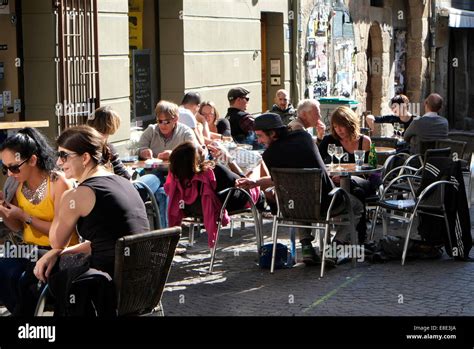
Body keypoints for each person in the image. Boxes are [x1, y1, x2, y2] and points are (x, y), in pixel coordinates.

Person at [33, 125, 150, 315]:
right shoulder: (123, 182)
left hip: (107, 281)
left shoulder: (78, 194)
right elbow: (111, 240)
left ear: (85, 158)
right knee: (49, 260)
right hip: (140, 279)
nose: (58, 161)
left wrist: (62, 195)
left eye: (64, 155)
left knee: (38, 273)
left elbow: (55, 241)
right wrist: (57, 253)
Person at [236, 113, 363, 266]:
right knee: (357, 207)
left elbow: (279, 181)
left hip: (295, 209)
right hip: (327, 204)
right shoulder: (304, 138)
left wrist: (255, 182)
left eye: (260, 136)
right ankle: (334, 249)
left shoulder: (269, 155)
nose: (258, 141)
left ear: (273, 133)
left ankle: (306, 247)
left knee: (297, 197)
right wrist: (255, 181)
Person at [0, 127, 79, 315]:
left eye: (14, 167)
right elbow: (17, 227)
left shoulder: (58, 182)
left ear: (33, 160)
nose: (9, 173)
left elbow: (61, 238)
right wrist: (4, 212)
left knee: (21, 279)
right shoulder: (15, 184)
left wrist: (25, 216)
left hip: (60, 253)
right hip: (29, 249)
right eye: (4, 168)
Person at [164, 142, 261, 248]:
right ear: (197, 158)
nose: (205, 148)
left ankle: (270, 196)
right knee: (259, 164)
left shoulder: (176, 177)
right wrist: (229, 159)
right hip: (241, 199)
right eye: (202, 148)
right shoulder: (214, 171)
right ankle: (271, 199)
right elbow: (244, 183)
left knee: (254, 173)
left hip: (192, 208)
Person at [86, 106, 168, 227]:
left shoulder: (85, 146)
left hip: (98, 196)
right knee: (156, 177)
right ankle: (164, 235)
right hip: (121, 195)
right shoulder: (107, 148)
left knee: (162, 192)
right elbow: (125, 176)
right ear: (112, 125)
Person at [319, 106, 373, 243]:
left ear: (350, 124)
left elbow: (368, 168)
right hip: (335, 184)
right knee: (357, 193)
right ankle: (354, 238)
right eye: (335, 127)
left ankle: (359, 237)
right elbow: (318, 164)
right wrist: (331, 176)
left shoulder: (364, 141)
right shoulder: (329, 141)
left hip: (359, 180)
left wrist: (346, 176)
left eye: (342, 126)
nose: (339, 130)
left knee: (357, 189)